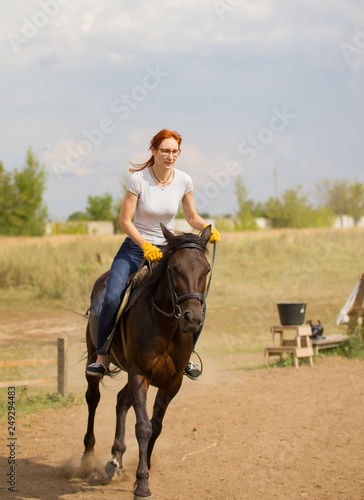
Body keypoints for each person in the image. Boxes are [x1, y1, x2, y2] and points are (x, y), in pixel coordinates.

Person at [86, 129, 220, 380]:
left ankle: (188, 355)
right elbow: (125, 220)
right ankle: (102, 356)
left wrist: (207, 229)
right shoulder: (138, 180)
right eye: (165, 151)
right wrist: (145, 245)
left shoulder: (184, 180)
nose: (170, 156)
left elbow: (191, 216)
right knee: (114, 296)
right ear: (154, 151)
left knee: (197, 301)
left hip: (168, 250)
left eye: (174, 152)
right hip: (135, 249)